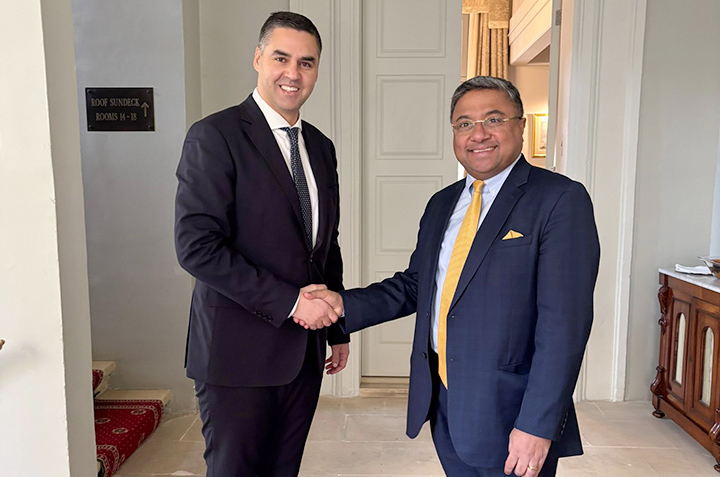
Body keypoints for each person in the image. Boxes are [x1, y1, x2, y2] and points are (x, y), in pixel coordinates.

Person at [301, 76, 600, 476]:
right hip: (444, 402)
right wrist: (342, 304)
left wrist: (537, 425)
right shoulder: (442, 204)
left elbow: (564, 326)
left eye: (493, 119)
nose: (478, 134)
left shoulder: (560, 199)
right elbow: (416, 285)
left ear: (521, 125)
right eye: (464, 124)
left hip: (513, 411)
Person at [174, 11, 349, 476]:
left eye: (306, 62)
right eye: (280, 58)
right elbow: (196, 246)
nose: (293, 73)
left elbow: (325, 246)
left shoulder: (321, 147)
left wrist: (337, 329)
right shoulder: (215, 136)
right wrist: (292, 303)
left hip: (304, 353)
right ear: (258, 59)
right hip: (236, 353)